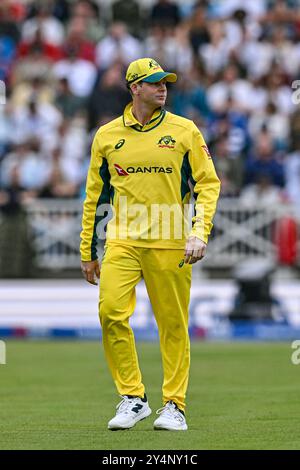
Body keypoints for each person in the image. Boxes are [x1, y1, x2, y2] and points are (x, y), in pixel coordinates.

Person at [80, 58, 220, 431]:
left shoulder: (185, 130)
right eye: (154, 82)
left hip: (171, 239)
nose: (163, 88)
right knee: (110, 312)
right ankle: (133, 398)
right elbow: (95, 197)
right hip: (123, 239)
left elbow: (208, 184)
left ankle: (174, 405)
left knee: (173, 325)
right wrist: (88, 252)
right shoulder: (107, 136)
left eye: (165, 83)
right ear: (134, 88)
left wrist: (198, 231)